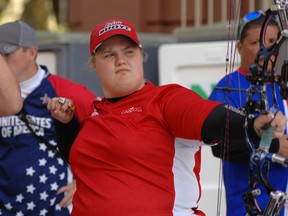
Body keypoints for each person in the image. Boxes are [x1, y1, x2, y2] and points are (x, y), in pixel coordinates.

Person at [46, 19, 287, 216]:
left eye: (129, 52)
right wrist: (65, 125)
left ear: (140, 56)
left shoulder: (165, 100)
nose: (121, 61)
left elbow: (208, 117)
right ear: (94, 65)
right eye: (109, 55)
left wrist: (251, 123)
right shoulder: (94, 112)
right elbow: (85, 165)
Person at [0, 20, 97, 215]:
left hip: (54, 208)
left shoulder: (68, 92)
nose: (1, 60)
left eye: (6, 53)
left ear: (32, 53)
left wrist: (87, 182)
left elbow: (107, 139)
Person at [208, 11, 288, 216]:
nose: (265, 50)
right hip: (248, 207)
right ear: (239, 47)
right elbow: (220, 146)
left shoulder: (282, 85)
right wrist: (274, 146)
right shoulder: (228, 87)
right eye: (256, 43)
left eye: (271, 42)